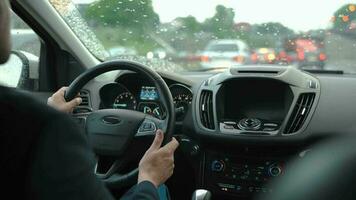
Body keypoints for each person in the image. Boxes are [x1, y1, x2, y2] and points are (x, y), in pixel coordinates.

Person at [0, 0, 179, 199]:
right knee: (160, 190)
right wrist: (148, 179)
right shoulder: (43, 128)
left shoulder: (29, 125)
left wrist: (52, 113)